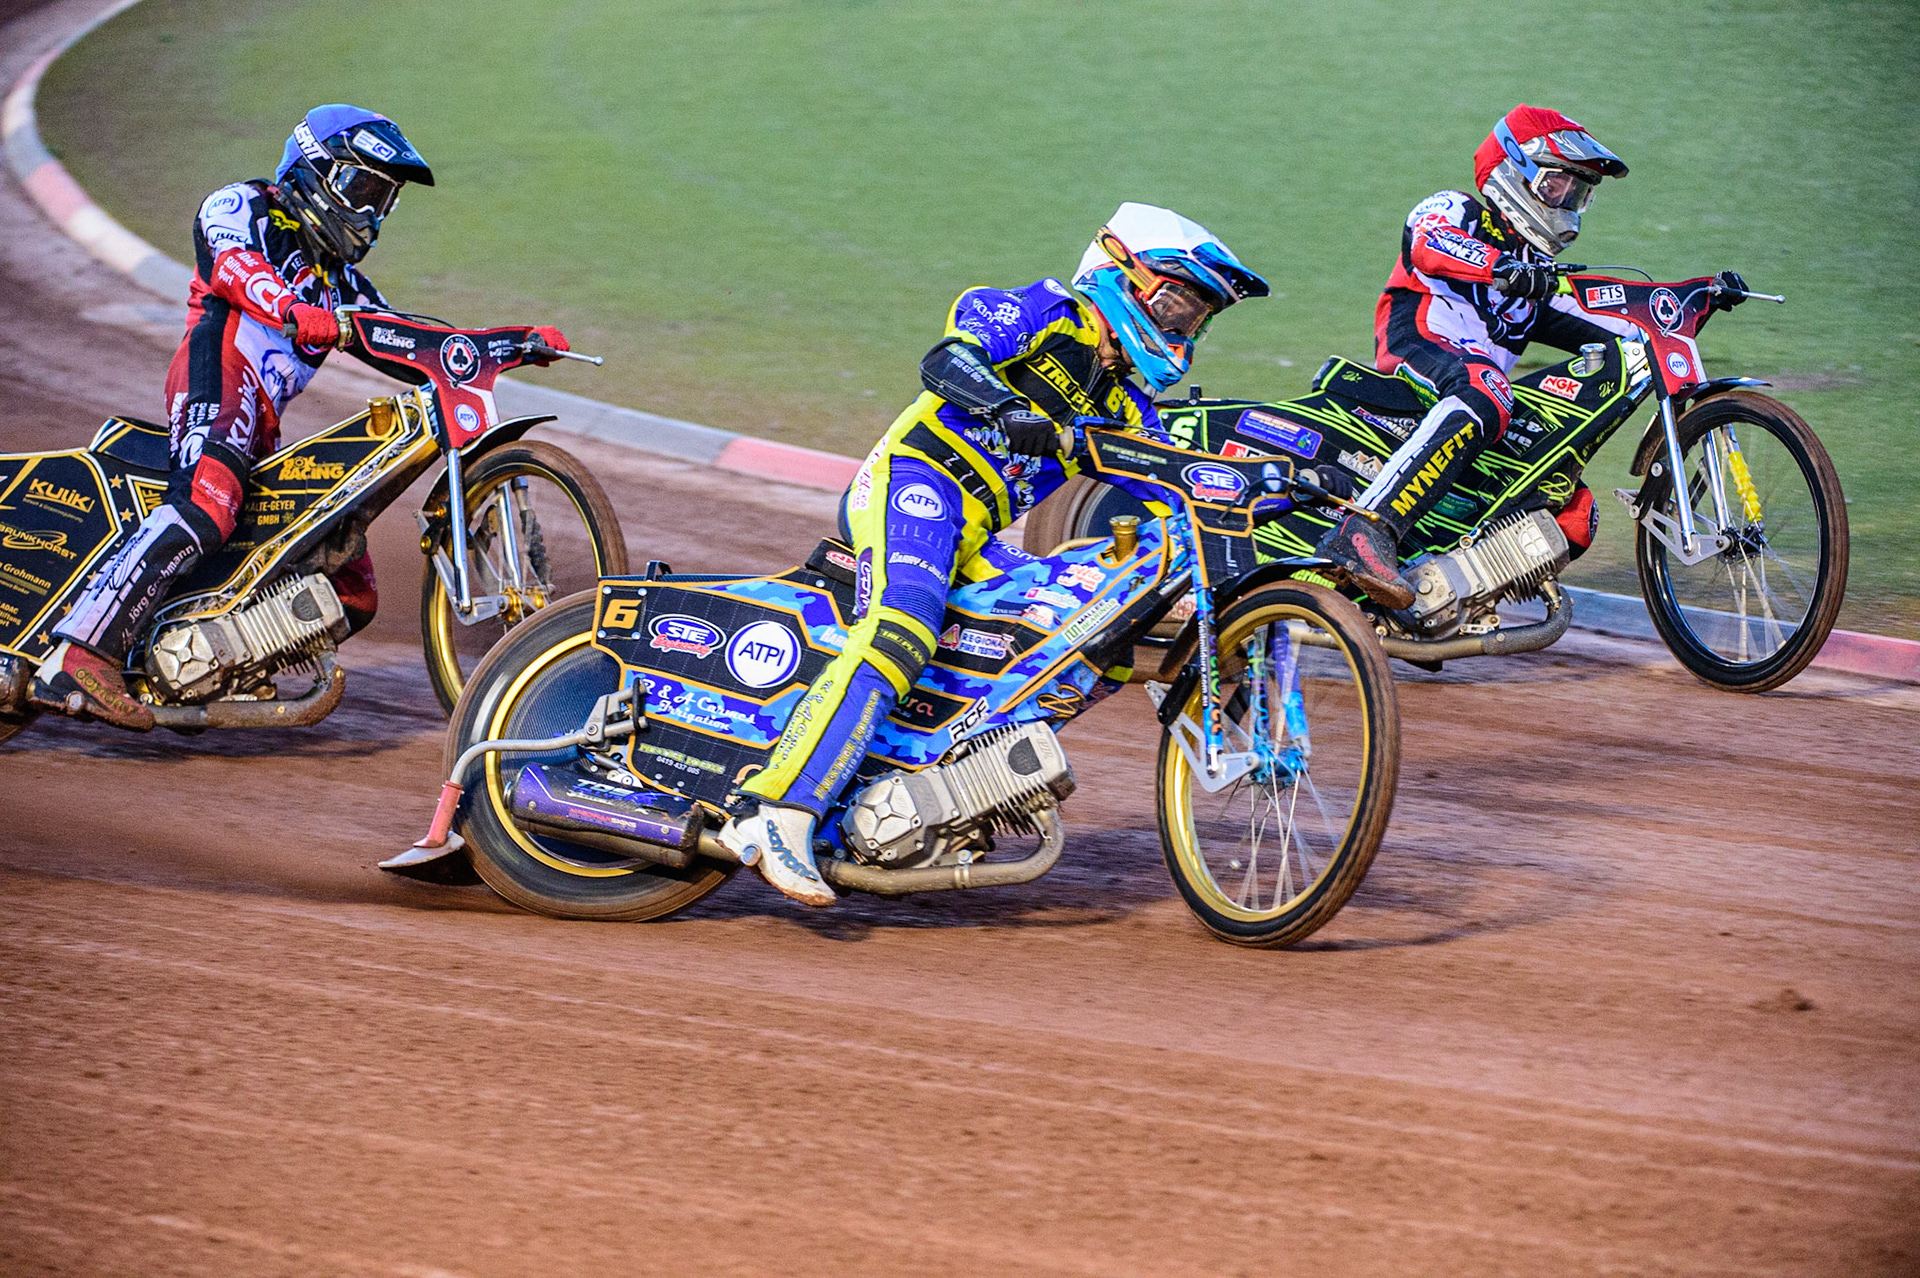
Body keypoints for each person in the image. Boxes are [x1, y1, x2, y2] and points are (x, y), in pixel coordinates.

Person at [719, 203, 1269, 905]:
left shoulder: (1128, 403)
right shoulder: (1047, 312)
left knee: (1087, 636)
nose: (1182, 325)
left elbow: (1174, 486)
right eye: (1176, 301)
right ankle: (777, 811)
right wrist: (1006, 407)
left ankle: (925, 788)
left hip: (978, 537)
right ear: (1116, 268)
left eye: (1194, 316)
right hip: (916, 485)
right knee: (903, 629)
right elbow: (947, 358)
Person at [31, 104, 567, 729]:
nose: (371, 214)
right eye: (363, 189)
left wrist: (509, 342)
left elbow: (414, 339)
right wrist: (289, 305)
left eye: (384, 200)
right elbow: (234, 267)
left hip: (266, 421)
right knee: (209, 501)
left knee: (352, 586)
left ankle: (211, 660)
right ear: (315, 170)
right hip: (219, 371)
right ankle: (81, 652)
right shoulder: (243, 205)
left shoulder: (342, 285)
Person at [1317, 104, 1747, 608]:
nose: (1566, 200)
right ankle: (1365, 531)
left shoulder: (1536, 270)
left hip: (1480, 398)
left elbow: (1616, 321)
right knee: (1488, 390)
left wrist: (1692, 301)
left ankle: (1450, 598)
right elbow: (1428, 245)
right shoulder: (1456, 209)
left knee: (1574, 509)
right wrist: (1499, 266)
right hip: (1416, 351)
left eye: (1577, 192)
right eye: (1557, 185)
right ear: (1512, 170)